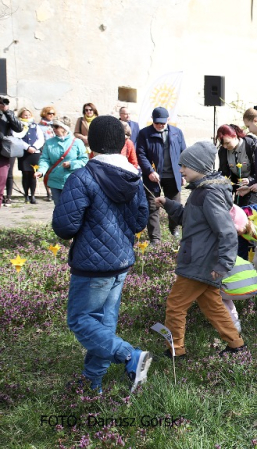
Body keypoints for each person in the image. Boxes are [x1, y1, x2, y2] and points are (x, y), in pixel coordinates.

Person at [51, 116, 151, 394]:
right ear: (122, 143)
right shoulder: (133, 176)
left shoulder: (82, 177)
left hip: (92, 266)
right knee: (104, 323)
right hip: (120, 261)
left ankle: (130, 355)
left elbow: (65, 226)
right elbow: (141, 221)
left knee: (81, 320)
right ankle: (92, 382)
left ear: (91, 143)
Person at [155, 141, 245, 358]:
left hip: (198, 262)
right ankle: (236, 345)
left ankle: (175, 350)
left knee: (175, 305)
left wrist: (224, 263)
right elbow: (190, 218)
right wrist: (168, 203)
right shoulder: (201, 191)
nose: (181, 170)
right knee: (213, 305)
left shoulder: (209, 194)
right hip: (201, 260)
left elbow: (227, 232)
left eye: (185, 166)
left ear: (199, 166)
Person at [136, 106, 187, 244]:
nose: (160, 125)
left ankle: (174, 229)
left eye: (163, 122)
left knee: (174, 204)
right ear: (152, 120)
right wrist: (149, 171)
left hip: (173, 176)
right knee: (153, 206)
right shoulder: (144, 133)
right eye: (157, 122)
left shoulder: (177, 133)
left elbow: (184, 153)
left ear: (168, 120)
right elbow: (141, 154)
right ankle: (155, 238)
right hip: (153, 177)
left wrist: (183, 174)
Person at [35, 118, 88, 206]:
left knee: (72, 208)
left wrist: (71, 164)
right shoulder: (49, 143)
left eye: (56, 126)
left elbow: (84, 160)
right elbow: (45, 159)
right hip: (55, 180)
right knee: (59, 208)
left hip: (72, 181)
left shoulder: (77, 142)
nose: (53, 129)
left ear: (64, 128)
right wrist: (41, 171)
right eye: (52, 126)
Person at [216, 124, 257, 207]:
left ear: (235, 136)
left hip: (252, 187)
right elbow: (223, 172)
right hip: (236, 188)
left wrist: (250, 180)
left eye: (227, 143)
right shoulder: (223, 151)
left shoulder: (250, 145)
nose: (225, 146)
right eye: (222, 144)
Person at [12, 108, 45, 204]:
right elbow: (17, 138)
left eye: (28, 115)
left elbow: (40, 138)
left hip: (35, 152)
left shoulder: (35, 126)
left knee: (33, 174)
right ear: (21, 116)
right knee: (25, 174)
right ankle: (26, 195)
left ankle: (33, 195)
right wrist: (27, 147)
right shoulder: (18, 126)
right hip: (24, 153)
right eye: (25, 115)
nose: (27, 116)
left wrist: (34, 147)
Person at [0, 98, 23, 206]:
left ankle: (6, 197)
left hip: (4, 152)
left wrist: (7, 111)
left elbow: (19, 128)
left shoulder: (7, 114)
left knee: (3, 178)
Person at [38, 106, 57, 201]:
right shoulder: (40, 126)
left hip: (55, 151)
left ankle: (54, 191)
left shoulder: (55, 125)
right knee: (46, 172)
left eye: (53, 113)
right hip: (45, 150)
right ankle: (48, 192)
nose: (51, 115)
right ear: (45, 113)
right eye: (49, 113)